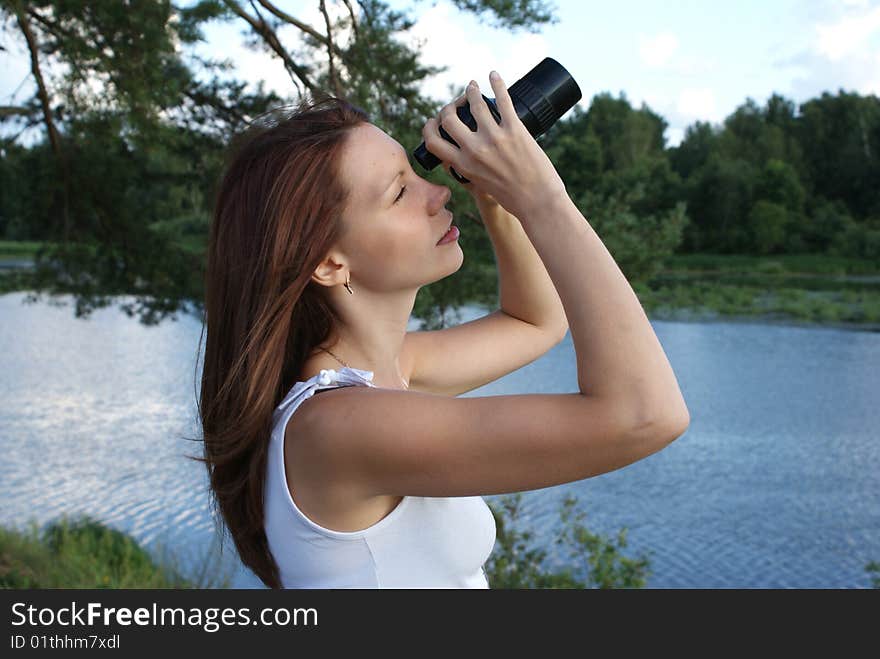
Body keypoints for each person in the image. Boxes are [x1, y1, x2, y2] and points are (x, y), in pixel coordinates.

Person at [198, 70, 690, 589]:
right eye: (398, 193)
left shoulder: (385, 377)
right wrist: (541, 196)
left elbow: (535, 323)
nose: (435, 193)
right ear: (328, 263)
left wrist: (496, 197)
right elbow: (646, 415)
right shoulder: (338, 427)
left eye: (418, 175)